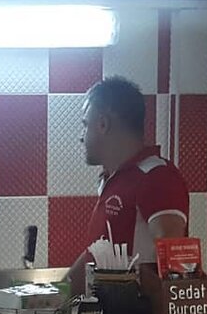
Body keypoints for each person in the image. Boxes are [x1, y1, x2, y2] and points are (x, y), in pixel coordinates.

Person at [67, 77, 189, 295]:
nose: (81, 137)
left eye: (85, 125)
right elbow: (95, 256)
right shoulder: (113, 179)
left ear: (103, 124)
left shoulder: (156, 176)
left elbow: (177, 260)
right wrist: (52, 297)